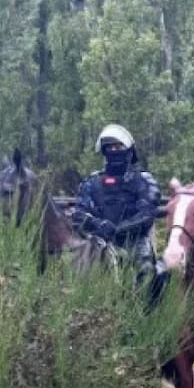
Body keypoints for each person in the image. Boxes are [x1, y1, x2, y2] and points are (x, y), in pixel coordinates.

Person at [70, 124, 163, 290]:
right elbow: (78, 213)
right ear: (104, 151)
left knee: (148, 273)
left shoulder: (144, 180)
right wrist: (99, 224)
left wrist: (118, 229)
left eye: (118, 147)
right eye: (110, 147)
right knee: (74, 268)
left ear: (128, 151)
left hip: (134, 242)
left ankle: (148, 314)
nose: (114, 150)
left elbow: (147, 215)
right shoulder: (92, 182)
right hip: (99, 240)